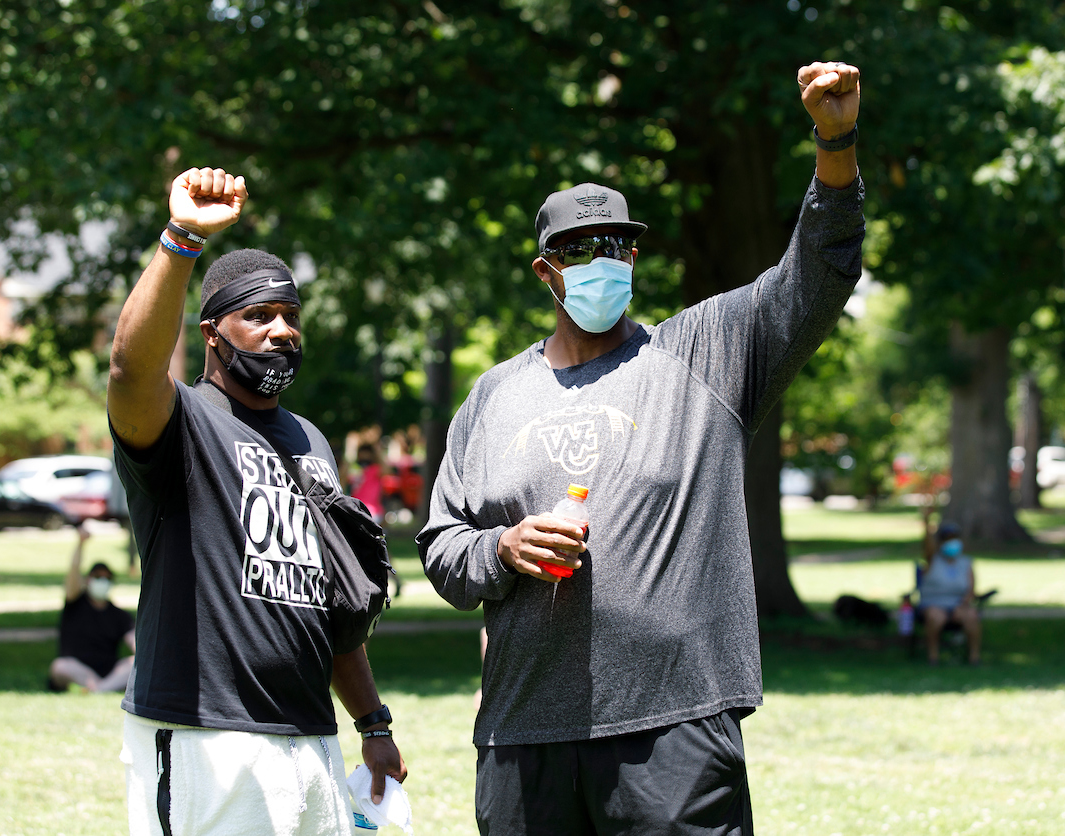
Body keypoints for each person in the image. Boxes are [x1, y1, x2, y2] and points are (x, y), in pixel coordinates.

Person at [418, 61, 863, 835]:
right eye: (580, 248)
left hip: (676, 730)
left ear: (635, 258)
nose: (603, 261)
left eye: (617, 246)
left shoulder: (706, 355)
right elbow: (444, 552)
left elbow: (819, 271)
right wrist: (504, 547)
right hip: (524, 737)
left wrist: (837, 141)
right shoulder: (491, 397)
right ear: (545, 270)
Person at [108, 166, 406, 835]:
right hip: (206, 736)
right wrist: (183, 235)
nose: (281, 331)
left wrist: (372, 721)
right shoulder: (180, 423)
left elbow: (333, 606)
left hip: (309, 738)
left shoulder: (311, 442)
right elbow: (131, 370)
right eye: (258, 316)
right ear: (212, 332)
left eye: (291, 317)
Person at [48, 525, 135, 693]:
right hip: (76, 668)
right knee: (60, 666)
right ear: (87, 580)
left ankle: (98, 689)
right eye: (97, 577)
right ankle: (101, 688)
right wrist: (80, 544)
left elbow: (134, 642)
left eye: (106, 578)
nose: (102, 581)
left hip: (109, 672)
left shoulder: (120, 615)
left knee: (136, 663)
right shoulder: (75, 603)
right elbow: (73, 573)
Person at [919, 520, 981, 665]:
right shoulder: (932, 560)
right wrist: (927, 523)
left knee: (971, 616)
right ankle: (933, 657)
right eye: (947, 539)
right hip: (933, 604)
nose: (952, 543)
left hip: (958, 604)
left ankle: (974, 657)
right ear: (940, 543)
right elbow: (927, 546)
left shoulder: (966, 563)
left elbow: (971, 590)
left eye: (954, 538)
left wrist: (962, 605)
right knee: (936, 617)